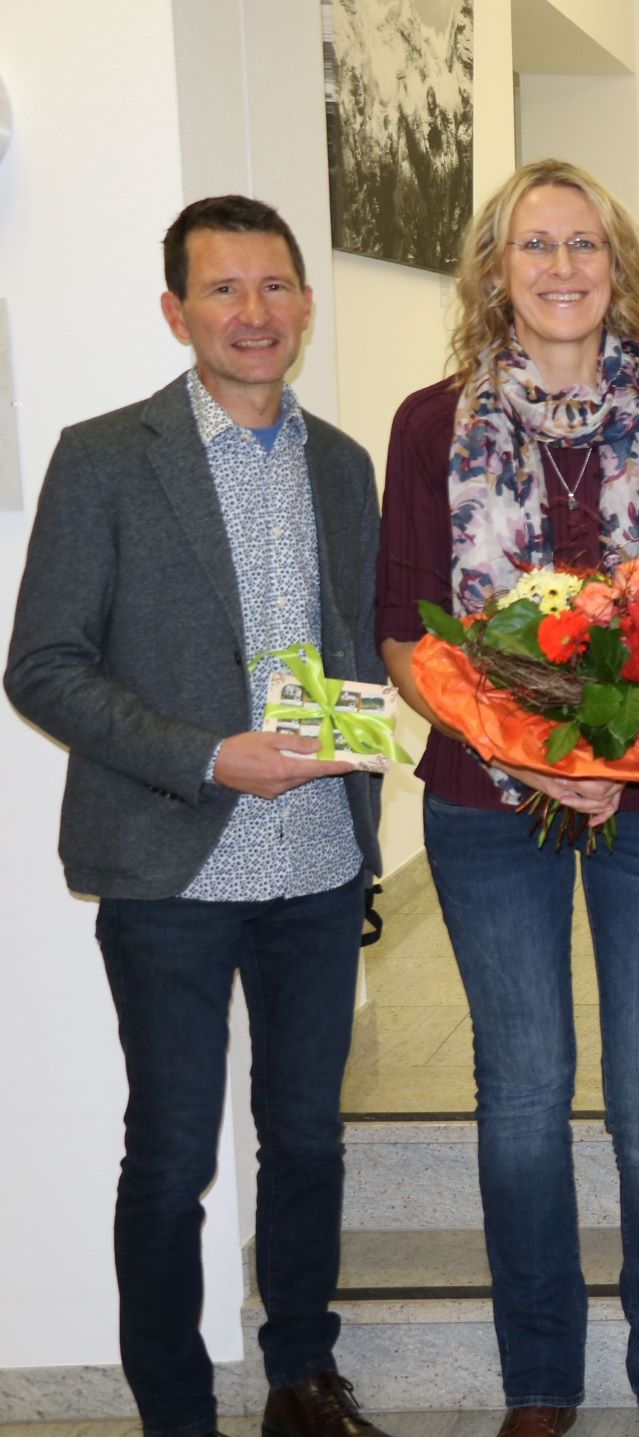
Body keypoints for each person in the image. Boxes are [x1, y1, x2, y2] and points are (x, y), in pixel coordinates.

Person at [5, 196, 390, 1437]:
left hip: (318, 862)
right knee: (173, 1155)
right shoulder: (106, 457)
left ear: (305, 305)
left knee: (309, 1140)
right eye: (223, 289)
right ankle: (176, 1411)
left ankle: (302, 1378)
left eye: (274, 287)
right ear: (177, 312)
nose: (253, 312)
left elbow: (353, 648)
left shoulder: (344, 464)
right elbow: (42, 665)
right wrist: (209, 759)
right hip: (170, 868)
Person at [375, 160, 639, 1437]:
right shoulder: (432, 424)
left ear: (618, 268)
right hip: (488, 798)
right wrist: (523, 752)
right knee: (523, 1095)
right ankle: (539, 1381)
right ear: (495, 272)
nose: (563, 268)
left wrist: (634, 747)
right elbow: (404, 628)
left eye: (585, 245)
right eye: (536, 246)